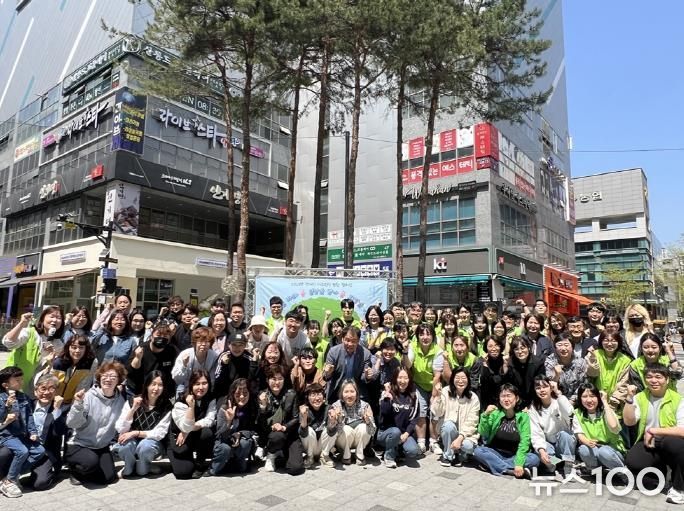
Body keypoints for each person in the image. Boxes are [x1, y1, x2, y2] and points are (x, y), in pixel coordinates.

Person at [623, 363, 684, 504]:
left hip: (670, 441)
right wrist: (629, 398)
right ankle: (661, 472)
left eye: (658, 377)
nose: (653, 380)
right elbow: (629, 422)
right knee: (633, 461)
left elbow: (682, 430)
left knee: (677, 446)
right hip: (649, 441)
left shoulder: (678, 400)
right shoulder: (640, 397)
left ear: (667, 379)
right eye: (649, 377)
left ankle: (679, 488)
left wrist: (653, 430)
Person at [65, 362, 127, 485]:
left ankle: (91, 468)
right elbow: (71, 423)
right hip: (79, 444)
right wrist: (78, 405)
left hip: (101, 446)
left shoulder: (120, 401)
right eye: (105, 376)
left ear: (119, 380)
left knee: (109, 478)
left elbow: (121, 425)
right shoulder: (88, 397)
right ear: (99, 377)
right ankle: (75, 470)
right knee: (90, 463)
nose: (108, 379)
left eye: (113, 377)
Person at [112, 370, 172, 477]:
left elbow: (159, 433)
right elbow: (121, 428)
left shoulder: (166, 407)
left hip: (151, 443)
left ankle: (144, 465)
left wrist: (136, 433)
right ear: (147, 385)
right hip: (132, 442)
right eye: (153, 384)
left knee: (145, 449)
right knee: (124, 447)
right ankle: (129, 465)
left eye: (160, 385)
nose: (156, 388)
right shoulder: (133, 401)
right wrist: (133, 409)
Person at [473, 383, 539, 478]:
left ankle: (494, 465)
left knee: (534, 459)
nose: (506, 399)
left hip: (515, 455)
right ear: (499, 399)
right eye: (503, 396)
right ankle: (508, 470)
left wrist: (519, 463)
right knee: (478, 451)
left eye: (509, 396)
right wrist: (485, 415)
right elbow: (484, 432)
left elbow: (525, 441)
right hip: (496, 452)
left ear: (517, 398)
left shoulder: (523, 416)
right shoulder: (495, 413)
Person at [0, 366, 45, 498]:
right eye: (17, 380)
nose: (21, 382)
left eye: (21, 379)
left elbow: (29, 416)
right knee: (22, 451)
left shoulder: (23, 397)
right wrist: (7, 406)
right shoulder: (1, 398)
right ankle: (10, 481)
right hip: (6, 435)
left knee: (39, 451)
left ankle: (11, 476)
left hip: (22, 434)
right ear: (5, 385)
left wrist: (33, 431)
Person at [2, 306, 65, 396]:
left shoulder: (58, 344)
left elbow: (52, 370)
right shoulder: (29, 333)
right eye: (51, 316)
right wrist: (21, 324)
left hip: (35, 390)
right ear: (42, 318)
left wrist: (51, 359)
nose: (54, 320)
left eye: (59, 318)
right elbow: (8, 343)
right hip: (13, 385)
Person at [403, 323, 444, 455]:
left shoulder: (438, 350)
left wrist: (434, 394)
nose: (425, 337)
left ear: (433, 336)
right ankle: (421, 441)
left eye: (428, 334)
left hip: (434, 384)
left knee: (434, 412)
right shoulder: (413, 346)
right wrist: (405, 352)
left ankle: (433, 441)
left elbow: (437, 375)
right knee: (420, 411)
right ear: (417, 336)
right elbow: (408, 364)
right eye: (421, 334)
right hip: (418, 384)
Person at [168, 370, 216, 479]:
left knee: (207, 432)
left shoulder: (210, 398)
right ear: (191, 385)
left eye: (204, 383)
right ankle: (180, 459)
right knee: (183, 472)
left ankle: (200, 463)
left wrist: (188, 431)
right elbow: (184, 426)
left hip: (192, 434)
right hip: (178, 436)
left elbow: (209, 420)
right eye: (197, 384)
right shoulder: (181, 400)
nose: (201, 387)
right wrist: (191, 407)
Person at [612, 333, 682, 407]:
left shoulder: (667, 360)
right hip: (647, 402)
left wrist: (668, 351)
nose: (650, 350)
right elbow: (637, 388)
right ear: (641, 348)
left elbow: (678, 374)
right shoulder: (635, 365)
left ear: (660, 347)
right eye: (645, 347)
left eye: (654, 347)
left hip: (670, 400)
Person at [256, 365, 303, 474]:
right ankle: (271, 454)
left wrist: (284, 427)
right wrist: (263, 407)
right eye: (273, 379)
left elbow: (296, 418)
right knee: (277, 436)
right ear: (267, 380)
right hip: (272, 434)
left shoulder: (291, 394)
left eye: (280, 379)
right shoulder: (262, 395)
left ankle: (281, 453)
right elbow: (259, 423)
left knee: (295, 468)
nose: (277, 382)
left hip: (289, 433)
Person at [431, 367, 480, 467]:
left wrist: (460, 438)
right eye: (457, 378)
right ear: (452, 379)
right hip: (449, 431)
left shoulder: (473, 397)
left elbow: (472, 422)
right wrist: (438, 396)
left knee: (467, 446)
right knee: (448, 425)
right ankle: (448, 456)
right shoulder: (445, 391)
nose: (460, 381)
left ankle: (459, 453)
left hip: (465, 435)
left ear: (468, 380)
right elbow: (437, 413)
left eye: (463, 378)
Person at [573, 382, 625, 475]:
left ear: (598, 397)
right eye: (584, 396)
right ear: (580, 399)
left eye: (592, 396)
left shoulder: (606, 411)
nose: (589, 400)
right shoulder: (578, 413)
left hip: (612, 452)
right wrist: (587, 441)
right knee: (584, 449)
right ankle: (596, 472)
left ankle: (622, 473)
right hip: (595, 450)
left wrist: (605, 402)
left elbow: (613, 426)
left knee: (603, 451)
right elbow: (579, 434)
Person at [528, 376, 576, 479]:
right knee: (540, 449)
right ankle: (555, 464)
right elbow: (535, 432)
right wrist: (541, 450)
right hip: (550, 445)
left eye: (545, 387)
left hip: (563, 445)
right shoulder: (533, 408)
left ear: (551, 388)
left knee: (565, 435)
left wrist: (558, 393)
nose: (542, 390)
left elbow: (570, 413)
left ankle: (568, 465)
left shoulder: (559, 402)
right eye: (538, 388)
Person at [211, 378, 257, 475]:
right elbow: (220, 434)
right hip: (224, 441)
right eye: (238, 394)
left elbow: (253, 429)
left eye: (245, 393)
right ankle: (214, 468)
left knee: (246, 442)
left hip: (239, 441)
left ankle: (238, 464)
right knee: (225, 449)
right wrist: (229, 421)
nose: (242, 397)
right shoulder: (224, 408)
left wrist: (240, 434)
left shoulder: (252, 406)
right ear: (232, 394)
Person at [377, 367, 421, 468]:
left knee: (413, 451)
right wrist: (387, 396)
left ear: (409, 379)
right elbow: (384, 413)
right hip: (386, 433)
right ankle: (389, 457)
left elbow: (414, 419)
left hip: (403, 433)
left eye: (406, 378)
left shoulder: (414, 395)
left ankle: (397, 450)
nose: (403, 381)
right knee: (395, 432)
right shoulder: (387, 392)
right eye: (400, 377)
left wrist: (406, 433)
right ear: (395, 378)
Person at [329, 379, 376, 465]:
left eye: (352, 391)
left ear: (357, 393)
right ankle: (346, 455)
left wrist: (368, 421)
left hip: (360, 439)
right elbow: (333, 434)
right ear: (341, 394)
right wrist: (339, 420)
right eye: (346, 392)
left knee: (363, 427)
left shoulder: (365, 406)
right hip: (344, 440)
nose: (349, 395)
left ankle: (359, 454)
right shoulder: (336, 406)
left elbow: (372, 432)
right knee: (346, 429)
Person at [323, 326, 373, 403]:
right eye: (347, 340)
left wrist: (367, 376)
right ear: (342, 339)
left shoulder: (366, 354)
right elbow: (326, 376)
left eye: (354, 341)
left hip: (356, 390)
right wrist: (328, 373)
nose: (350, 344)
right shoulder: (333, 352)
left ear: (358, 341)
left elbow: (364, 378)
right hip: (337, 390)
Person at [127, 323, 178, 397]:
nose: (161, 338)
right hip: (139, 390)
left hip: (160, 391)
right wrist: (138, 358)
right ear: (151, 336)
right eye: (158, 335)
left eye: (165, 336)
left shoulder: (173, 350)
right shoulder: (142, 348)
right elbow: (131, 370)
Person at [49, 334, 98, 405]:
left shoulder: (90, 364)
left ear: (86, 349)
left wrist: (74, 406)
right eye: (74, 347)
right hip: (53, 400)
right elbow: (50, 383)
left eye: (81, 348)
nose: (77, 351)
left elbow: (83, 387)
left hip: (71, 402)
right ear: (68, 348)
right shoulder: (59, 362)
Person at [298, 383, 337, 469]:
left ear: (323, 397)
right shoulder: (304, 409)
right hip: (310, 446)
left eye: (319, 394)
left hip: (322, 445)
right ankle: (310, 457)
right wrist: (304, 417)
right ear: (307, 398)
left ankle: (325, 456)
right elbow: (302, 433)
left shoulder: (329, 408)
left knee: (333, 427)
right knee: (309, 430)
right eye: (313, 395)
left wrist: (332, 421)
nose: (316, 398)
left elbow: (332, 432)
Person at [172, 327, 219, 395]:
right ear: (195, 342)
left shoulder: (214, 356)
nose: (203, 344)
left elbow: (213, 379)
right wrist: (184, 366)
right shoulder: (185, 354)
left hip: (204, 388)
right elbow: (177, 379)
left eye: (206, 342)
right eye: (200, 341)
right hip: (185, 386)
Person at [585, 332, 632, 398]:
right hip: (595, 398)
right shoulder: (594, 354)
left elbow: (623, 384)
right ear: (601, 341)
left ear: (619, 342)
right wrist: (593, 359)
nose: (609, 344)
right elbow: (591, 374)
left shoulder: (625, 360)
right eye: (606, 340)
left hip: (616, 400)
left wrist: (613, 401)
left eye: (613, 341)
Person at [545, 334, 588, 403]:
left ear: (572, 347)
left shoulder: (580, 362)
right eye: (559, 345)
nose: (563, 348)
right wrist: (556, 375)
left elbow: (582, 384)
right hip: (556, 400)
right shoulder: (550, 361)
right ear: (555, 347)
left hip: (577, 400)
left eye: (566, 345)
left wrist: (572, 400)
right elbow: (549, 385)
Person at [505, 336, 545, 408]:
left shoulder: (538, 363)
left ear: (529, 348)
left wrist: (532, 404)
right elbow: (509, 385)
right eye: (516, 349)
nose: (520, 352)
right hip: (517, 400)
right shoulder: (510, 363)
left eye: (522, 348)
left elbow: (540, 384)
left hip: (534, 399)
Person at [214, 332, 252, 398]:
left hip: (243, 393)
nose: (237, 348)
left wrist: (254, 363)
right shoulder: (224, 356)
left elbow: (252, 379)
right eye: (234, 345)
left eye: (240, 345)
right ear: (228, 345)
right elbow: (217, 380)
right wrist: (224, 365)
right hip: (225, 393)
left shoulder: (249, 358)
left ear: (245, 346)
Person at [478, 336, 508, 410]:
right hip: (486, 399)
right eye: (490, 346)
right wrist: (485, 365)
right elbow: (483, 382)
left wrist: (505, 366)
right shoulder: (480, 361)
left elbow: (506, 381)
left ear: (500, 347)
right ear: (486, 348)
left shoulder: (505, 360)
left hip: (504, 398)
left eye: (496, 345)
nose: (494, 349)